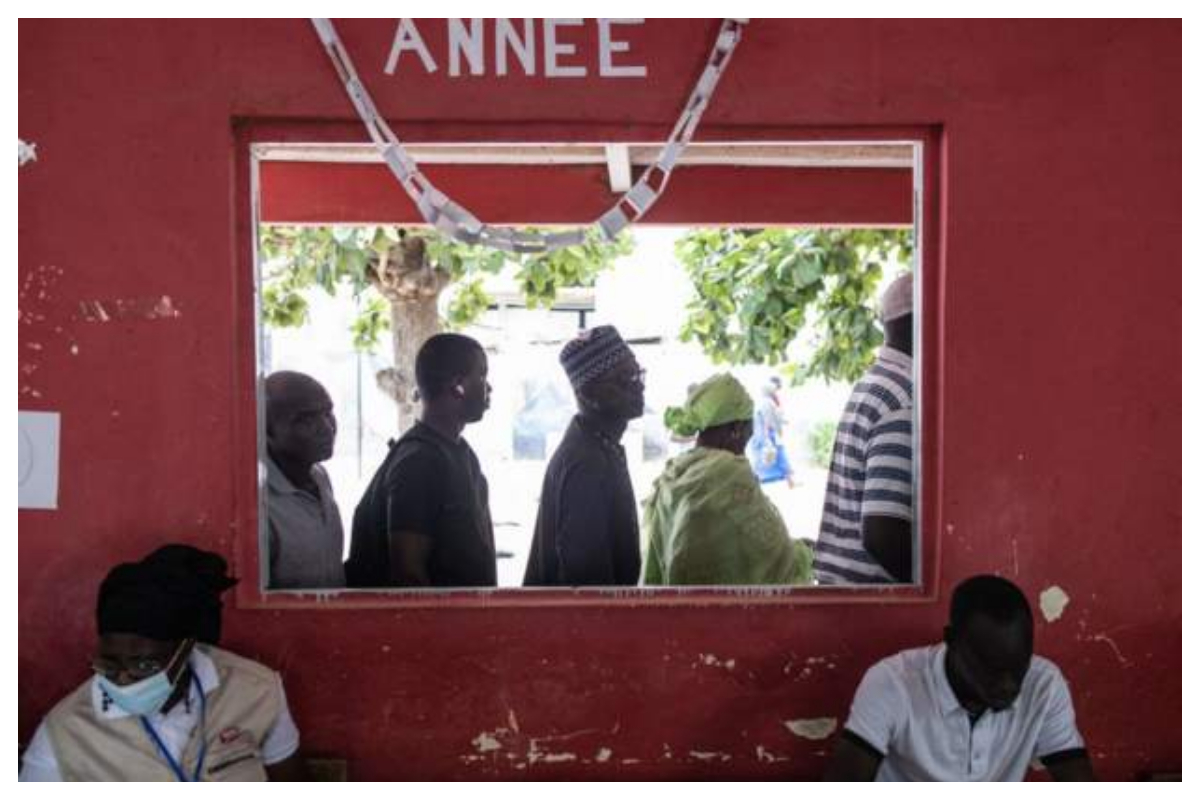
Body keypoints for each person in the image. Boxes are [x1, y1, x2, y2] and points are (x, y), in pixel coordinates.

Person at [19, 545, 306, 781]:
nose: (121, 680)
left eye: (144, 665)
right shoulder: (65, 732)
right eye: (108, 663)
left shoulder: (256, 691)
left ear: (186, 650)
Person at [824, 574, 1094, 781]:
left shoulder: (1043, 685)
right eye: (990, 670)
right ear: (952, 641)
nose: (1009, 685)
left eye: (1018, 666)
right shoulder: (893, 683)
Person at [346, 333, 495, 588]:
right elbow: (408, 573)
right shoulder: (419, 461)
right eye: (481, 375)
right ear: (457, 385)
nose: (489, 387)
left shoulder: (459, 451)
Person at [641, 373, 812, 586]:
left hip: (674, 608)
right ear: (736, 429)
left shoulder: (675, 472)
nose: (744, 451)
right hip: (721, 612)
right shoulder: (729, 473)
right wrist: (806, 553)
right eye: (747, 436)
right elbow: (774, 555)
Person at [813, 271, 915, 584]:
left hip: (843, 595)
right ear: (921, 321)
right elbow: (882, 534)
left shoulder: (878, 381)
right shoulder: (904, 397)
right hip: (872, 605)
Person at [523, 325, 644, 587]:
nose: (638, 387)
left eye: (638, 375)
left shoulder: (600, 447)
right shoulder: (586, 462)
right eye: (625, 379)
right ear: (589, 393)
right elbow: (589, 585)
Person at [264, 371, 345, 589]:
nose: (327, 428)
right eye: (306, 420)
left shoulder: (319, 476)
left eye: (328, 413)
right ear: (267, 431)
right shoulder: (259, 504)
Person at [748, 376, 795, 487]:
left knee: (767, 458)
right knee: (775, 457)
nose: (777, 389)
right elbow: (770, 420)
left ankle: (790, 481)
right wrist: (778, 427)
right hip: (767, 434)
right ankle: (790, 481)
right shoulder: (768, 402)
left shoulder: (763, 401)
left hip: (763, 434)